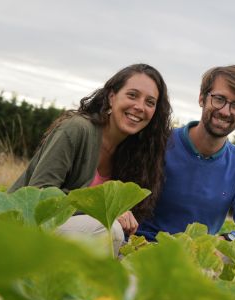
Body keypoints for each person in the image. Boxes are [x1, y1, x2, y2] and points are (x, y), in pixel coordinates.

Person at [9, 64, 172, 254]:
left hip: (75, 240)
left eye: (150, 102)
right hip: (23, 229)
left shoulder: (137, 154)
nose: (139, 107)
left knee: (140, 266)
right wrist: (105, 211)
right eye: (132, 95)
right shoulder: (76, 129)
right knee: (110, 232)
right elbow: (40, 192)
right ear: (112, 97)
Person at [137, 64, 235, 250]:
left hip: (201, 256)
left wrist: (226, 240)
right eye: (219, 99)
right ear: (202, 98)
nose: (225, 111)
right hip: (145, 247)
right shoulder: (159, 142)